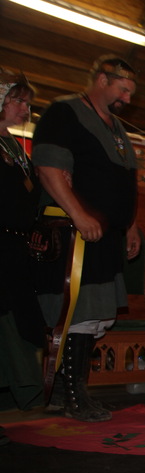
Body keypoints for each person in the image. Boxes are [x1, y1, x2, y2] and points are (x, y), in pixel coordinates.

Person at [31, 55, 141, 422]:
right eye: (122, 89)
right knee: (78, 312)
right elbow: (48, 168)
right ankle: (70, 396)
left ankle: (74, 393)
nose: (127, 98)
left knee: (95, 316)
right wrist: (79, 215)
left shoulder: (118, 129)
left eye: (131, 92)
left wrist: (130, 225)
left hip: (106, 237)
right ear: (101, 80)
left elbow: (122, 182)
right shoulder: (65, 112)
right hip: (75, 233)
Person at [0, 69, 45, 416]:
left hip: (16, 248)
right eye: (17, 100)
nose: (25, 109)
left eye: (27, 103)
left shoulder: (16, 146)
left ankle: (20, 395)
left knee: (19, 319)